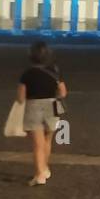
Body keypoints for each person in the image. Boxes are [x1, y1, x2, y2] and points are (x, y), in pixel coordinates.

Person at [18, 42, 67, 186]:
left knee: (37, 144)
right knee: (47, 140)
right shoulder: (55, 71)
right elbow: (63, 92)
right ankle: (44, 168)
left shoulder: (27, 74)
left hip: (33, 107)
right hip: (52, 107)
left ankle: (39, 175)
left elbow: (21, 97)